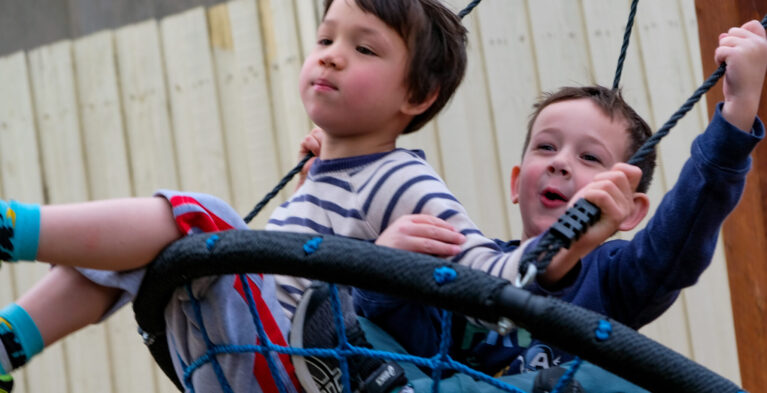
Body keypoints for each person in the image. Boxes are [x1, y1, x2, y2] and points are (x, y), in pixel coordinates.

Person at [0, 1, 627, 392]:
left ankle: (15, 227)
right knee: (127, 249)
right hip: (236, 357)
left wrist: (562, 242)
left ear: (416, 97)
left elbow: (491, 275)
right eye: (326, 39)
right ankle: (9, 345)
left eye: (363, 49)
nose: (331, 58)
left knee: (203, 220)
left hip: (297, 365)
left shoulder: (402, 180)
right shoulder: (322, 177)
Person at [360, 19, 767, 383]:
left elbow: (681, 233)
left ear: (629, 210)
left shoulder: (611, 278)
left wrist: (737, 115)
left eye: (589, 157)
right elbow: (400, 339)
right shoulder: (471, 265)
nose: (561, 163)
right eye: (546, 147)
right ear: (517, 184)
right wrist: (385, 270)